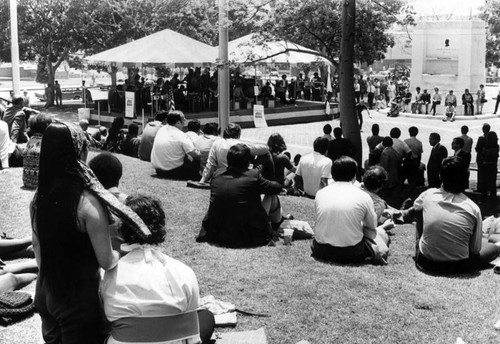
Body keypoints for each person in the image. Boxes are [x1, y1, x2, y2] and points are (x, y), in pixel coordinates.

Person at [31, 121, 151, 344]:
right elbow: (106, 261)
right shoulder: (87, 203)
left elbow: (37, 247)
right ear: (78, 151)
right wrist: (122, 253)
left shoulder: (39, 197)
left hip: (45, 291)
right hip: (77, 299)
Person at [101, 194, 215, 344]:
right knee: (206, 316)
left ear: (122, 229)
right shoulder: (183, 271)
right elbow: (193, 339)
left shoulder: (107, 274)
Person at [414, 156, 500, 274]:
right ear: (467, 176)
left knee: (419, 208)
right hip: (457, 266)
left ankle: (420, 245)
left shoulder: (428, 195)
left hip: (424, 261)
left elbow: (416, 208)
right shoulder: (473, 208)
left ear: (440, 176)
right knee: (493, 249)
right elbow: (474, 250)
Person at [311, 156, 393, 264]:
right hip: (351, 252)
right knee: (380, 232)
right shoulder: (363, 196)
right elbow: (372, 227)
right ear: (354, 175)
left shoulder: (321, 193)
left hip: (319, 249)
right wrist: (382, 226)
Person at [198, 143, 283, 248]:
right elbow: (277, 188)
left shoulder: (217, 175)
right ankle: (277, 224)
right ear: (248, 161)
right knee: (270, 195)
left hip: (218, 233)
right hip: (246, 235)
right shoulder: (253, 175)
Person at [200, 123, 269, 183]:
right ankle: (269, 178)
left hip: (222, 175)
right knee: (266, 154)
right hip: (240, 175)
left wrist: (203, 180)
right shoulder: (241, 144)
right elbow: (266, 148)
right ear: (238, 134)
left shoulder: (217, 143)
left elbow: (211, 164)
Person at [151, 111, 201, 180]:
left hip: (159, 171)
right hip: (174, 171)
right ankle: (198, 177)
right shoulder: (181, 135)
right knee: (196, 159)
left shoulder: (161, 130)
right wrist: (198, 150)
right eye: (183, 119)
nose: (185, 121)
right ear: (178, 122)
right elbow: (195, 155)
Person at [22, 114, 53, 188]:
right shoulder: (46, 140)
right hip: (41, 182)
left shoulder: (31, 139)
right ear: (47, 125)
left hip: (27, 181)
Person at [481, 131, 499, 198]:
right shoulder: (496, 146)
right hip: (493, 166)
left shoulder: (486, 146)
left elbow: (483, 155)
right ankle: (493, 197)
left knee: (484, 183)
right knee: (492, 183)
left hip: (486, 165)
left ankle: (484, 197)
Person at [475, 123, 490, 193]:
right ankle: (487, 187)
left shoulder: (481, 138)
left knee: (480, 173)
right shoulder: (491, 138)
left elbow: (477, 148)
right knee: (487, 173)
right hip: (488, 158)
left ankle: (480, 188)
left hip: (480, 157)